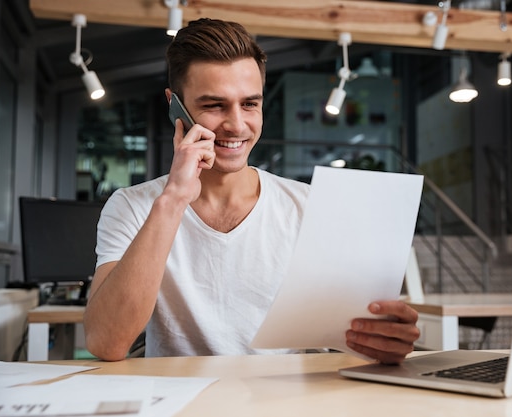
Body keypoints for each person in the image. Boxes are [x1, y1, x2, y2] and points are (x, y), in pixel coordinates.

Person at [83, 18, 419, 363]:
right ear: (175, 105)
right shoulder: (132, 206)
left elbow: (348, 338)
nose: (237, 125)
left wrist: (384, 340)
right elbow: (106, 342)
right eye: (214, 105)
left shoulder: (306, 206)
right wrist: (174, 199)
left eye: (250, 104)